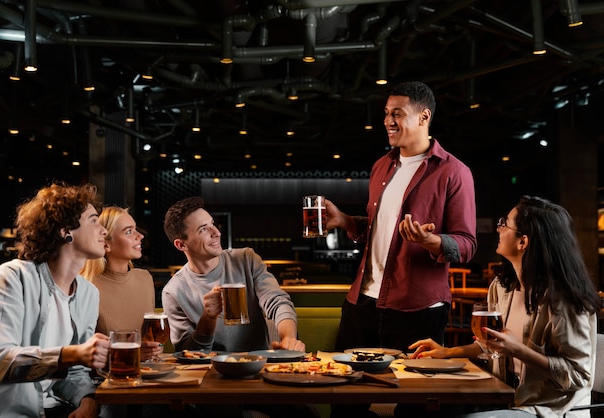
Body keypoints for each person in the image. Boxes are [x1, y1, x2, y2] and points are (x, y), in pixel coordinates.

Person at [409, 196, 601, 417]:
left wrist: (519, 351)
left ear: (523, 242)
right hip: (507, 401)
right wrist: (446, 352)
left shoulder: (564, 300)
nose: (498, 228)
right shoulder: (502, 286)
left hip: (551, 410)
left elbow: (578, 375)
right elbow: (493, 346)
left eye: (505, 223)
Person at [325, 81, 477, 353]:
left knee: (414, 394)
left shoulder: (454, 172)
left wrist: (431, 241)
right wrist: (345, 220)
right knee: (347, 391)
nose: (387, 121)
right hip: (362, 302)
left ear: (424, 116)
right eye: (386, 113)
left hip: (418, 309)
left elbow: (467, 245)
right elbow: (378, 229)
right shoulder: (381, 166)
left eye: (397, 113)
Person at [162, 196, 316, 418]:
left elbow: (277, 301)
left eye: (213, 224)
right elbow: (188, 356)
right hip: (213, 382)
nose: (216, 233)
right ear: (181, 244)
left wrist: (287, 340)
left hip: (260, 376)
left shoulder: (246, 259)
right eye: (204, 229)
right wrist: (208, 318)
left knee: (305, 414)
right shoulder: (174, 291)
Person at [0, 182, 110, 418]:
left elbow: (76, 371)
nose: (103, 230)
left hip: (50, 410)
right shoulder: (11, 278)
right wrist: (72, 354)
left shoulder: (89, 294)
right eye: (93, 220)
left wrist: (87, 398)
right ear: (65, 231)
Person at [80, 206, 163, 362]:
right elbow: (82, 355)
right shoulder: (86, 286)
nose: (140, 236)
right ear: (106, 244)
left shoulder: (145, 278)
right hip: (105, 379)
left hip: (147, 374)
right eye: (129, 231)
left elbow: (148, 341)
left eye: (136, 229)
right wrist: (130, 355)